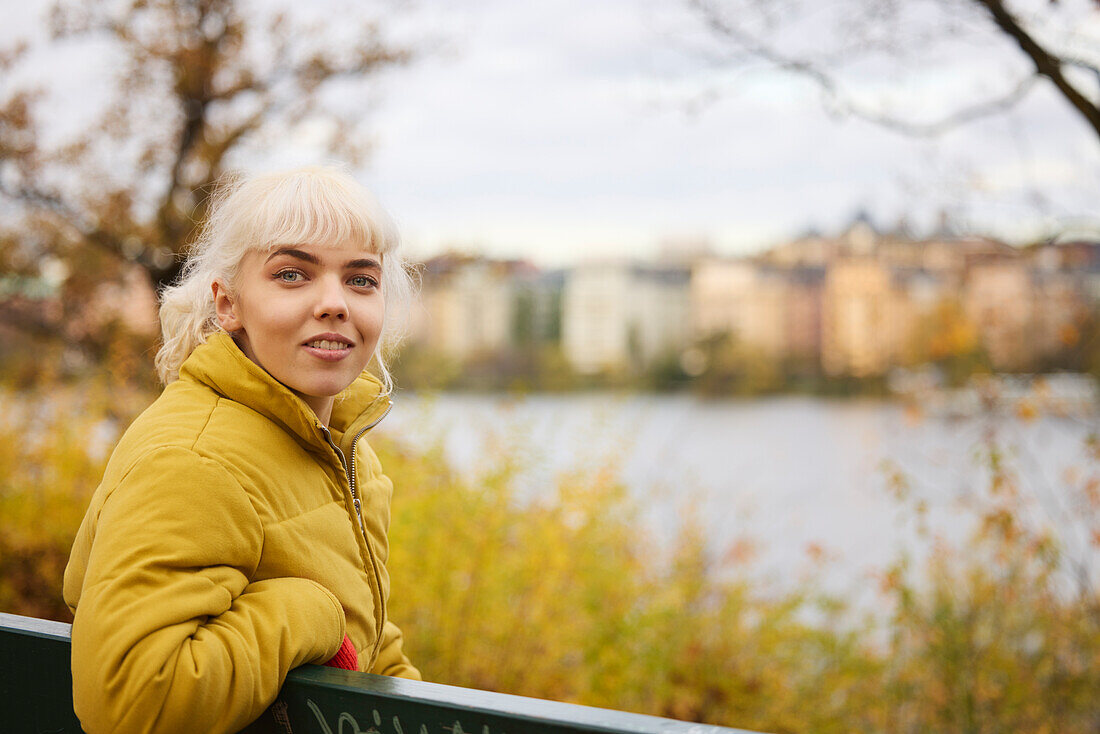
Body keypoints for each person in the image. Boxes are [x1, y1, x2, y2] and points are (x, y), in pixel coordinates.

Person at [63, 166, 421, 734]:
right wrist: (314, 614)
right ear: (228, 304)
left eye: (361, 280)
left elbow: (372, 639)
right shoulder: (194, 457)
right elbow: (130, 703)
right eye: (292, 274)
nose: (335, 303)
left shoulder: (349, 452)